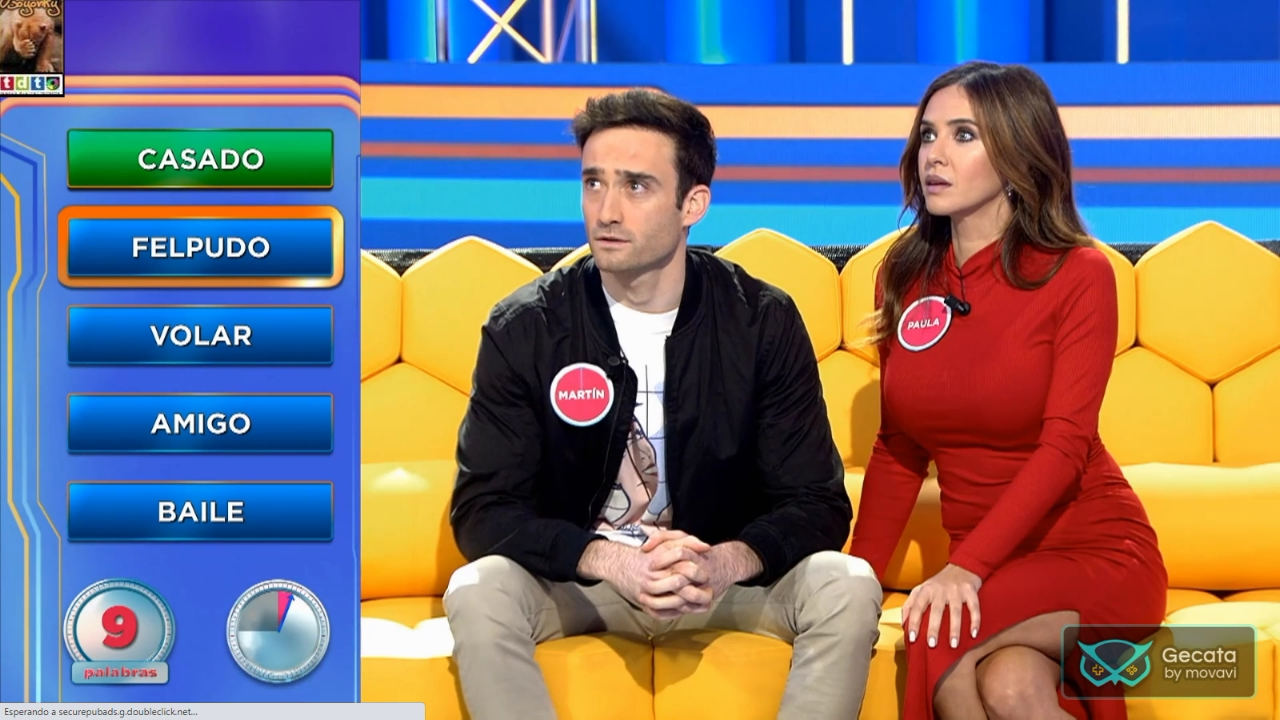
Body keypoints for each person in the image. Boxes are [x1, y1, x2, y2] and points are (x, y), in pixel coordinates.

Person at [443, 87, 884, 720]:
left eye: (636, 186)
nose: (607, 210)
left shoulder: (761, 321)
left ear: (692, 204)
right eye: (593, 183)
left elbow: (817, 503)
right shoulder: (528, 327)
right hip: (585, 583)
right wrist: (609, 561)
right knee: (477, 589)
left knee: (847, 585)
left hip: (719, 582)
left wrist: (724, 561)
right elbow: (482, 510)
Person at [847, 61, 1168, 720]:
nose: (934, 154)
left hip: (1093, 553)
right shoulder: (903, 277)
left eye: (963, 135)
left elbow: (1066, 447)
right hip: (989, 566)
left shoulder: (1078, 274)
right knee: (1011, 687)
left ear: (1018, 152)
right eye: (928, 134)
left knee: (939, 634)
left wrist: (965, 567)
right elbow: (898, 449)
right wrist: (857, 582)